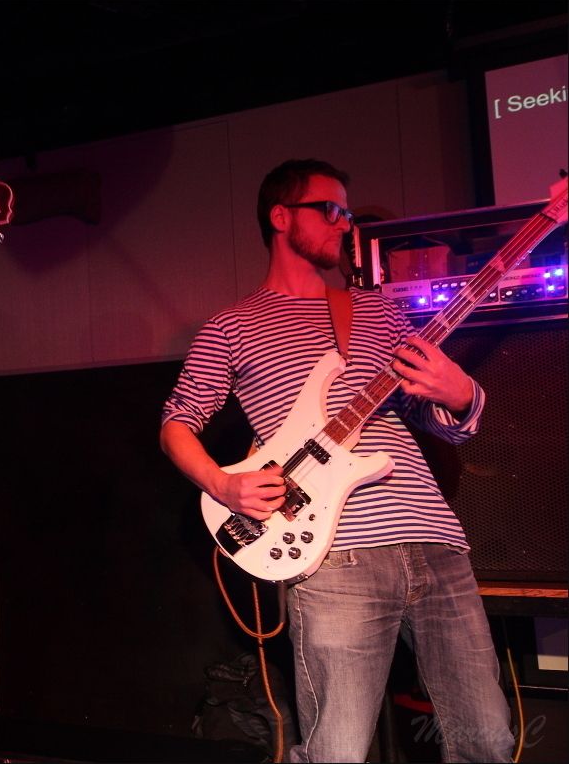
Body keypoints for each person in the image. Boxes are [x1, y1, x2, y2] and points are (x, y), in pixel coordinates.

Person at [159, 159, 514, 763]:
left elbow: (431, 420)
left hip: (433, 540)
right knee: (338, 752)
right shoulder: (232, 326)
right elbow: (176, 423)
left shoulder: (378, 312)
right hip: (333, 554)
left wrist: (459, 395)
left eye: (347, 212)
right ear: (280, 217)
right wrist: (224, 485)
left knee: (486, 740)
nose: (345, 223)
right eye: (331, 210)